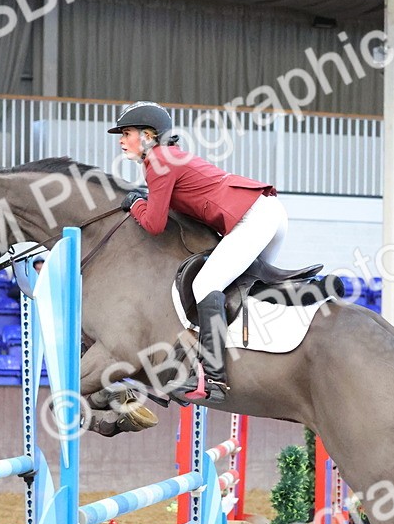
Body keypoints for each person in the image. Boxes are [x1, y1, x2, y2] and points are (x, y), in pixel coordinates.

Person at [109, 101, 283, 404]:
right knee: (233, 291)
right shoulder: (169, 157)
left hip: (254, 217)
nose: (121, 140)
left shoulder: (159, 160)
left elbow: (153, 223)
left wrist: (135, 203)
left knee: (205, 285)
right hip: (263, 213)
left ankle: (214, 379)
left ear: (148, 136)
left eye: (127, 132)